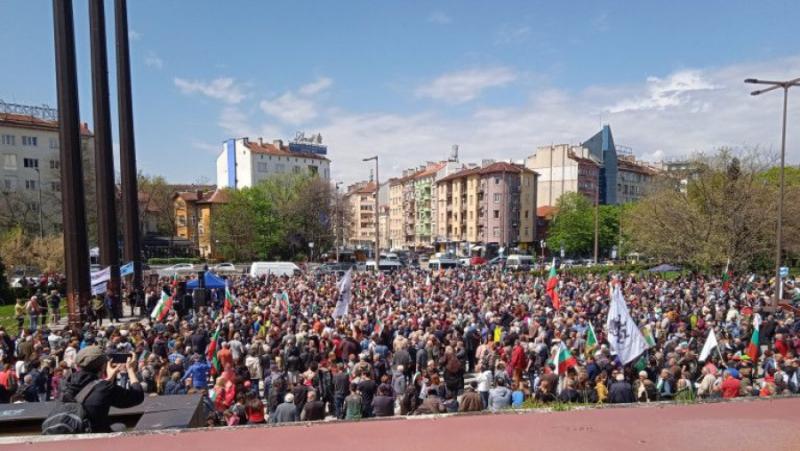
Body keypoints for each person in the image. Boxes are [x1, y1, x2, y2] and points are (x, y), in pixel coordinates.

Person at [60, 346, 144, 432]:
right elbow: (137, 396)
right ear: (103, 366)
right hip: (93, 438)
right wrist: (130, 370)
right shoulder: (105, 388)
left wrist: (109, 377)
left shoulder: (67, 382)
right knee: (120, 427)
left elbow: (91, 388)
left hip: (68, 432)